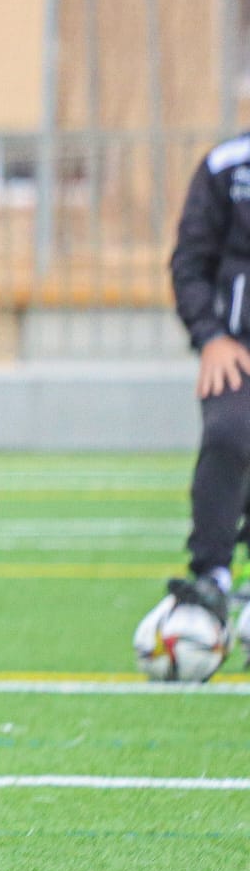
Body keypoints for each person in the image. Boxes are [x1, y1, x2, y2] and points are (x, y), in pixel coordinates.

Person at [162, 129, 250, 628]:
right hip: (237, 349)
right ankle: (212, 575)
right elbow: (189, 263)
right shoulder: (226, 166)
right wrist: (210, 335)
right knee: (230, 432)